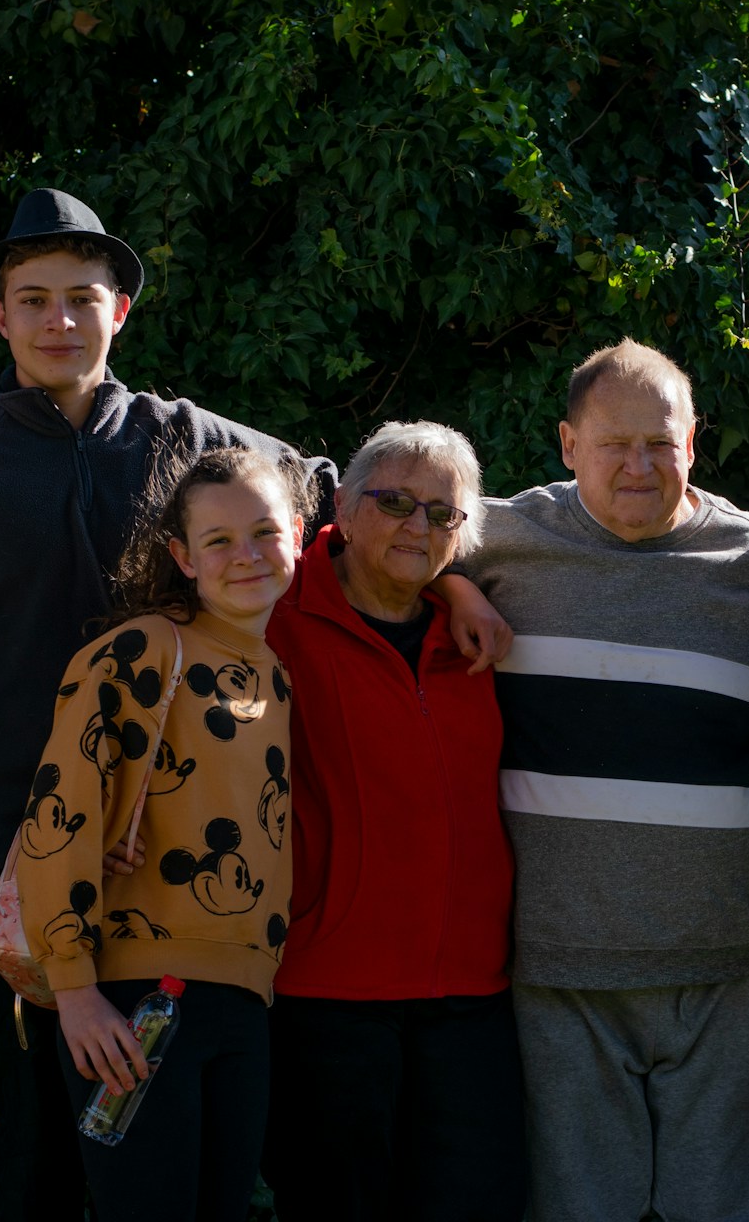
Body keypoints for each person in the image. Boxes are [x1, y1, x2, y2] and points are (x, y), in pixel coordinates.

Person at [0, 187, 343, 1220]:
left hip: (170, 885)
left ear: (121, 312)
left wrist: (450, 576)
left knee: (166, 1172)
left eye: (83, 298)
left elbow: (322, 489)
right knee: (33, 1167)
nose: (61, 320)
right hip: (5, 871)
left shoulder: (186, 435)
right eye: (35, 298)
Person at [451, 338, 749, 1221]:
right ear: (569, 445)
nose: (640, 466)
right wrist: (452, 587)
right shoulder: (494, 538)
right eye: (614, 444)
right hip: (558, 968)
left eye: (662, 442)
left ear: (696, 440)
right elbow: (350, 530)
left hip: (727, 966)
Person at [16, 446, 306, 1222]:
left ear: (300, 534)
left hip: (245, 1004)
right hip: (135, 1002)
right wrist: (74, 992)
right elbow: (60, 811)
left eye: (264, 532)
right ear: (181, 556)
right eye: (217, 541)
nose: (244, 556)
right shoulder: (144, 649)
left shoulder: (277, 673)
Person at [259, 420, 525, 1219]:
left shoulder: (479, 636)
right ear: (342, 503)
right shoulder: (271, 619)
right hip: (327, 993)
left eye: (442, 514)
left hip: (473, 997)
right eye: (395, 502)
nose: (418, 526)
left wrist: (453, 588)